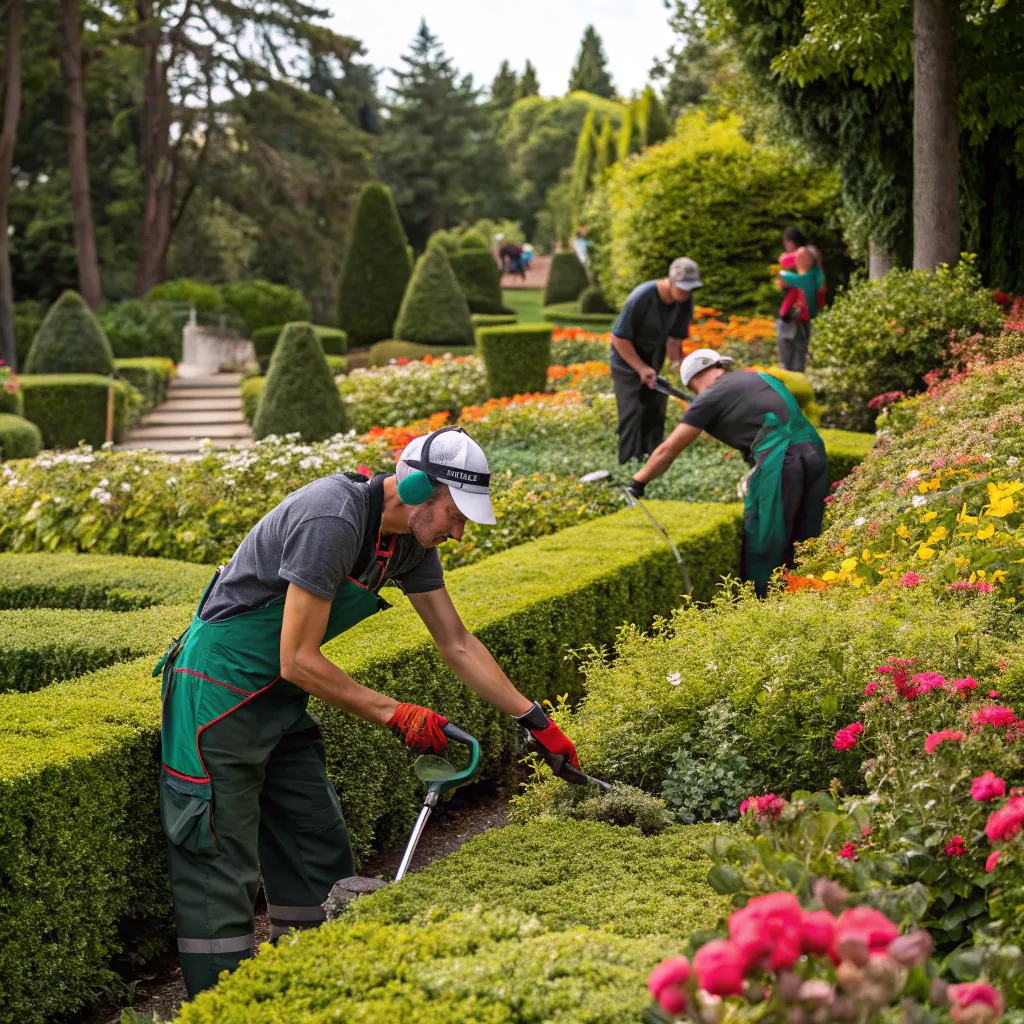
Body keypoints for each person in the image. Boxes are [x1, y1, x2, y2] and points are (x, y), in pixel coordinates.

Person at [154, 426, 580, 998]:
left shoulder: (409, 542)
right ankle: (224, 1004)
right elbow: (298, 659)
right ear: (418, 485)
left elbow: (455, 642)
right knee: (218, 864)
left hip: (276, 701)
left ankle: (307, 988)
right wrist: (396, 714)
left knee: (316, 841)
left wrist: (535, 720)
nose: (457, 533)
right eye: (455, 515)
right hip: (218, 695)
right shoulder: (331, 519)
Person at [626, 349, 828, 596]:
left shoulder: (709, 397)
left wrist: (638, 481)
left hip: (782, 461)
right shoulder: (759, 377)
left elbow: (668, 450)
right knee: (805, 534)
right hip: (814, 451)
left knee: (766, 537)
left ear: (692, 381)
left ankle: (762, 604)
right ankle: (810, 595)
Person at [610, 257, 702, 464]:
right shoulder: (642, 296)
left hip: (653, 358)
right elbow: (618, 337)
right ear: (670, 281)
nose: (687, 293)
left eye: (691, 288)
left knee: (656, 406)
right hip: (627, 360)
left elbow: (675, 342)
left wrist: (687, 375)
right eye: (683, 287)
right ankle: (627, 465)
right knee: (632, 412)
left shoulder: (683, 301)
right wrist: (641, 368)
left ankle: (652, 463)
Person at [776, 232, 826, 373]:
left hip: (795, 317)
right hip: (799, 317)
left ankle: (793, 385)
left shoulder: (803, 258)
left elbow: (784, 262)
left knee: (792, 358)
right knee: (797, 356)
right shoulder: (813, 272)